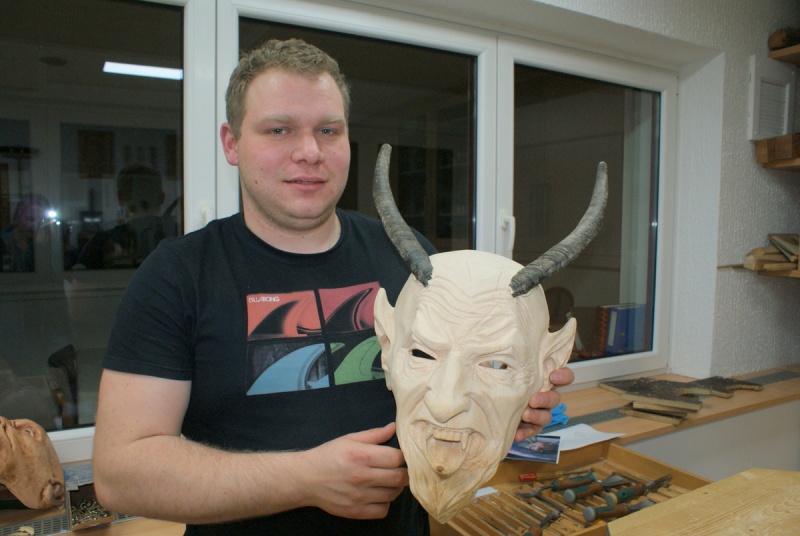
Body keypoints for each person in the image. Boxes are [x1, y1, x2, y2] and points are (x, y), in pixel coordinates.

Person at [92, 38, 574, 535]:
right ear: (231, 143)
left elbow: (449, 399)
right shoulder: (178, 276)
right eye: (279, 130)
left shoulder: (411, 261)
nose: (309, 152)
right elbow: (120, 475)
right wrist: (304, 480)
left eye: (328, 130)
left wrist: (502, 408)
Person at [74, 164, 177, 269]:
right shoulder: (179, 236)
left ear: (120, 197)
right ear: (162, 198)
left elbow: (78, 277)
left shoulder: (99, 244)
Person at [0, 193, 52, 272]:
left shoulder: (46, 242)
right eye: (30, 219)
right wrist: (38, 245)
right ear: (17, 217)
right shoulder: (2, 243)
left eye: (41, 220)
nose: (35, 225)